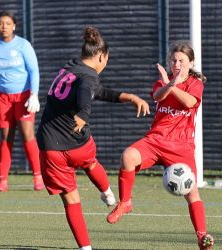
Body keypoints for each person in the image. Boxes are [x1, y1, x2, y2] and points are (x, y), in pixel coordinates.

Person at [36, 26, 150, 250]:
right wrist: (83, 115)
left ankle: (85, 248)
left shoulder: (70, 68)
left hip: (51, 147)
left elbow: (96, 91)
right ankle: (107, 193)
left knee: (71, 200)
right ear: (101, 56)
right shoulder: (88, 76)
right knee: (90, 163)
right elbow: (86, 94)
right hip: (78, 143)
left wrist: (129, 97)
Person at [106, 42, 214, 250]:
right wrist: (169, 83)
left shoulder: (195, 83)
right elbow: (158, 96)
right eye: (173, 60)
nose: (177, 64)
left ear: (190, 63)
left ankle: (202, 236)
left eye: (181, 60)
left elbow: (190, 102)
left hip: (181, 147)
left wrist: (172, 84)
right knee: (128, 156)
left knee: (192, 193)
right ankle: (125, 202)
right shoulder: (161, 83)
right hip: (155, 140)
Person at [0, 10, 44, 192]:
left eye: (8, 23)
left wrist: (34, 95)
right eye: (1, 23)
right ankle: (2, 181)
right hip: (2, 97)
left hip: (24, 96)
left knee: (28, 135)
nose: (4, 27)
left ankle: (38, 177)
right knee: (5, 137)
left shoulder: (23, 45)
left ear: (14, 26)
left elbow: (34, 71)